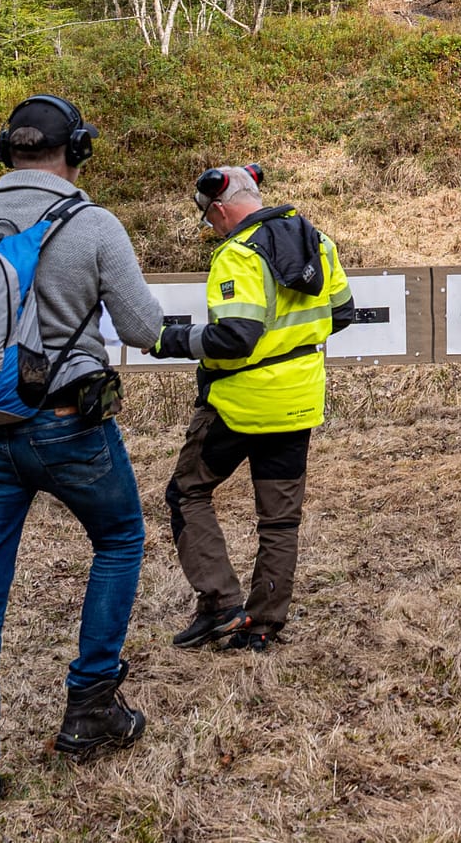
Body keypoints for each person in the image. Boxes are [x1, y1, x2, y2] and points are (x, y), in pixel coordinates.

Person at [0, 95, 165, 808]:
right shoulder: (92, 224)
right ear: (77, 151)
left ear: (6, 151)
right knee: (119, 537)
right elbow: (144, 327)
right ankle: (89, 706)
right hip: (68, 426)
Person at [151, 165, 354, 653]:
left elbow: (234, 339)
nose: (212, 231)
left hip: (238, 405)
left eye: (209, 222)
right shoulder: (318, 241)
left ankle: (221, 605)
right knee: (280, 520)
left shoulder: (237, 254)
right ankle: (263, 625)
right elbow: (342, 313)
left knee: (187, 493)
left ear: (219, 210)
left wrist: (167, 339)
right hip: (299, 400)